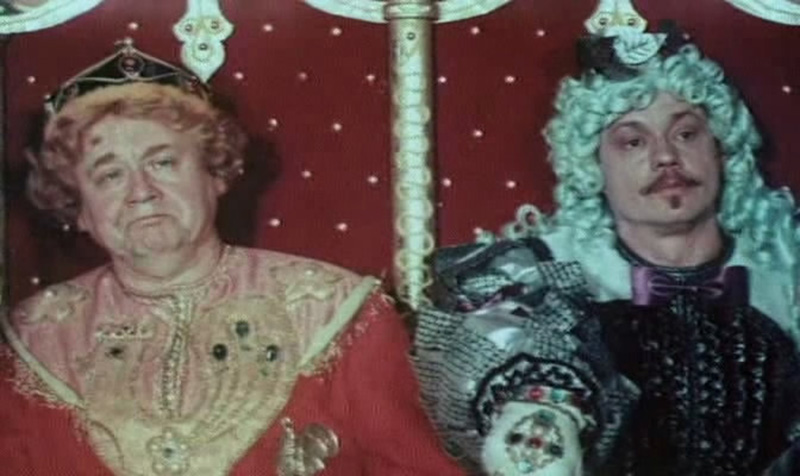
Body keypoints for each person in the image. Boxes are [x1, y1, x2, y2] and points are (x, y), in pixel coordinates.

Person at [0, 41, 465, 476]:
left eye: (163, 162)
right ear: (78, 208)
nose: (141, 192)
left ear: (216, 173)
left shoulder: (339, 312)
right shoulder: (32, 342)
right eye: (109, 175)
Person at [412, 21, 800, 476]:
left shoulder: (786, 272)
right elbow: (503, 367)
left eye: (686, 134)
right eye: (633, 141)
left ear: (722, 149)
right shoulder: (539, 270)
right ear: (593, 165)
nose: (665, 157)